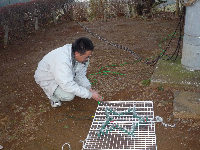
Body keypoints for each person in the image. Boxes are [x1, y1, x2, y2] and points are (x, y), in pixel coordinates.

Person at [34, 37, 103, 107]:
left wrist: (89, 89)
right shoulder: (62, 61)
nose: (87, 59)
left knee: (74, 86)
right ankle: (53, 97)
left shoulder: (77, 55)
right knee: (69, 95)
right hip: (48, 78)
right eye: (86, 57)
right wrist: (89, 95)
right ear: (77, 54)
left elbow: (80, 75)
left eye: (89, 56)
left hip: (61, 74)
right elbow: (67, 85)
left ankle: (69, 87)